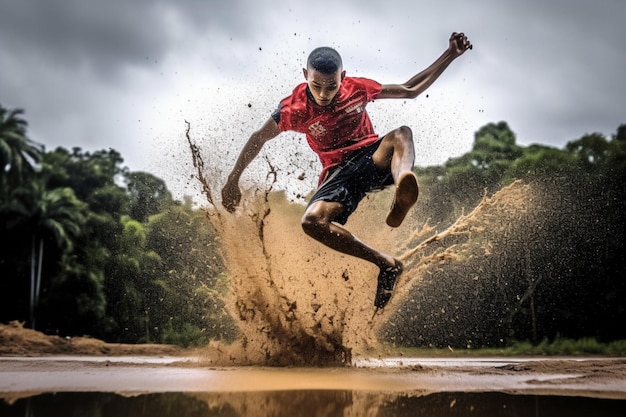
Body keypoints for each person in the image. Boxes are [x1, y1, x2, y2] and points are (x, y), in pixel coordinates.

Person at [222, 32, 473, 311]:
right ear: (305, 75)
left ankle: (403, 186)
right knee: (312, 222)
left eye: (331, 87)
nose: (324, 94)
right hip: (338, 172)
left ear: (343, 76)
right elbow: (259, 137)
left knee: (402, 133)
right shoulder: (293, 108)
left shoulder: (357, 88)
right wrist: (233, 179)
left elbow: (410, 89)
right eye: (316, 86)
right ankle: (387, 264)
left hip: (374, 158)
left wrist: (450, 54)